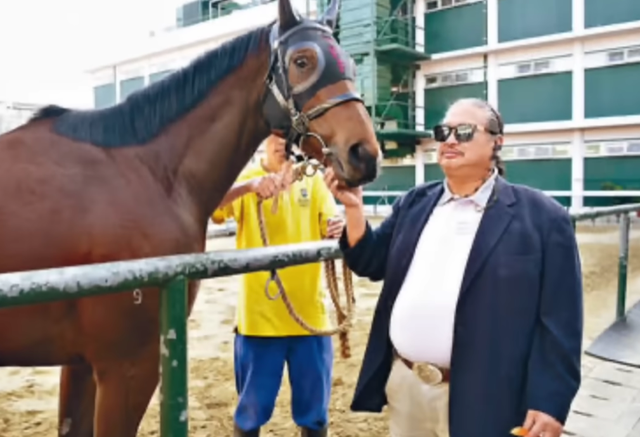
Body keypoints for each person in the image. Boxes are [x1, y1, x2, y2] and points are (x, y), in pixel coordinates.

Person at [324, 97, 583, 437]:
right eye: (443, 131)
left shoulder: (544, 218)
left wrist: (550, 400)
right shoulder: (414, 204)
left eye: (463, 131)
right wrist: (354, 209)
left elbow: (561, 321)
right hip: (407, 386)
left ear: (497, 141)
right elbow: (371, 261)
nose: (448, 140)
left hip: (491, 396)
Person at [211, 134, 344, 437]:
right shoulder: (246, 177)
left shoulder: (312, 178)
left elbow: (330, 224)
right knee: (251, 414)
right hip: (260, 322)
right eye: (277, 135)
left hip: (309, 319)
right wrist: (248, 188)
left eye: (289, 136)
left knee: (315, 415)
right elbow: (212, 208)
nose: (283, 142)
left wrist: (338, 227)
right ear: (264, 139)